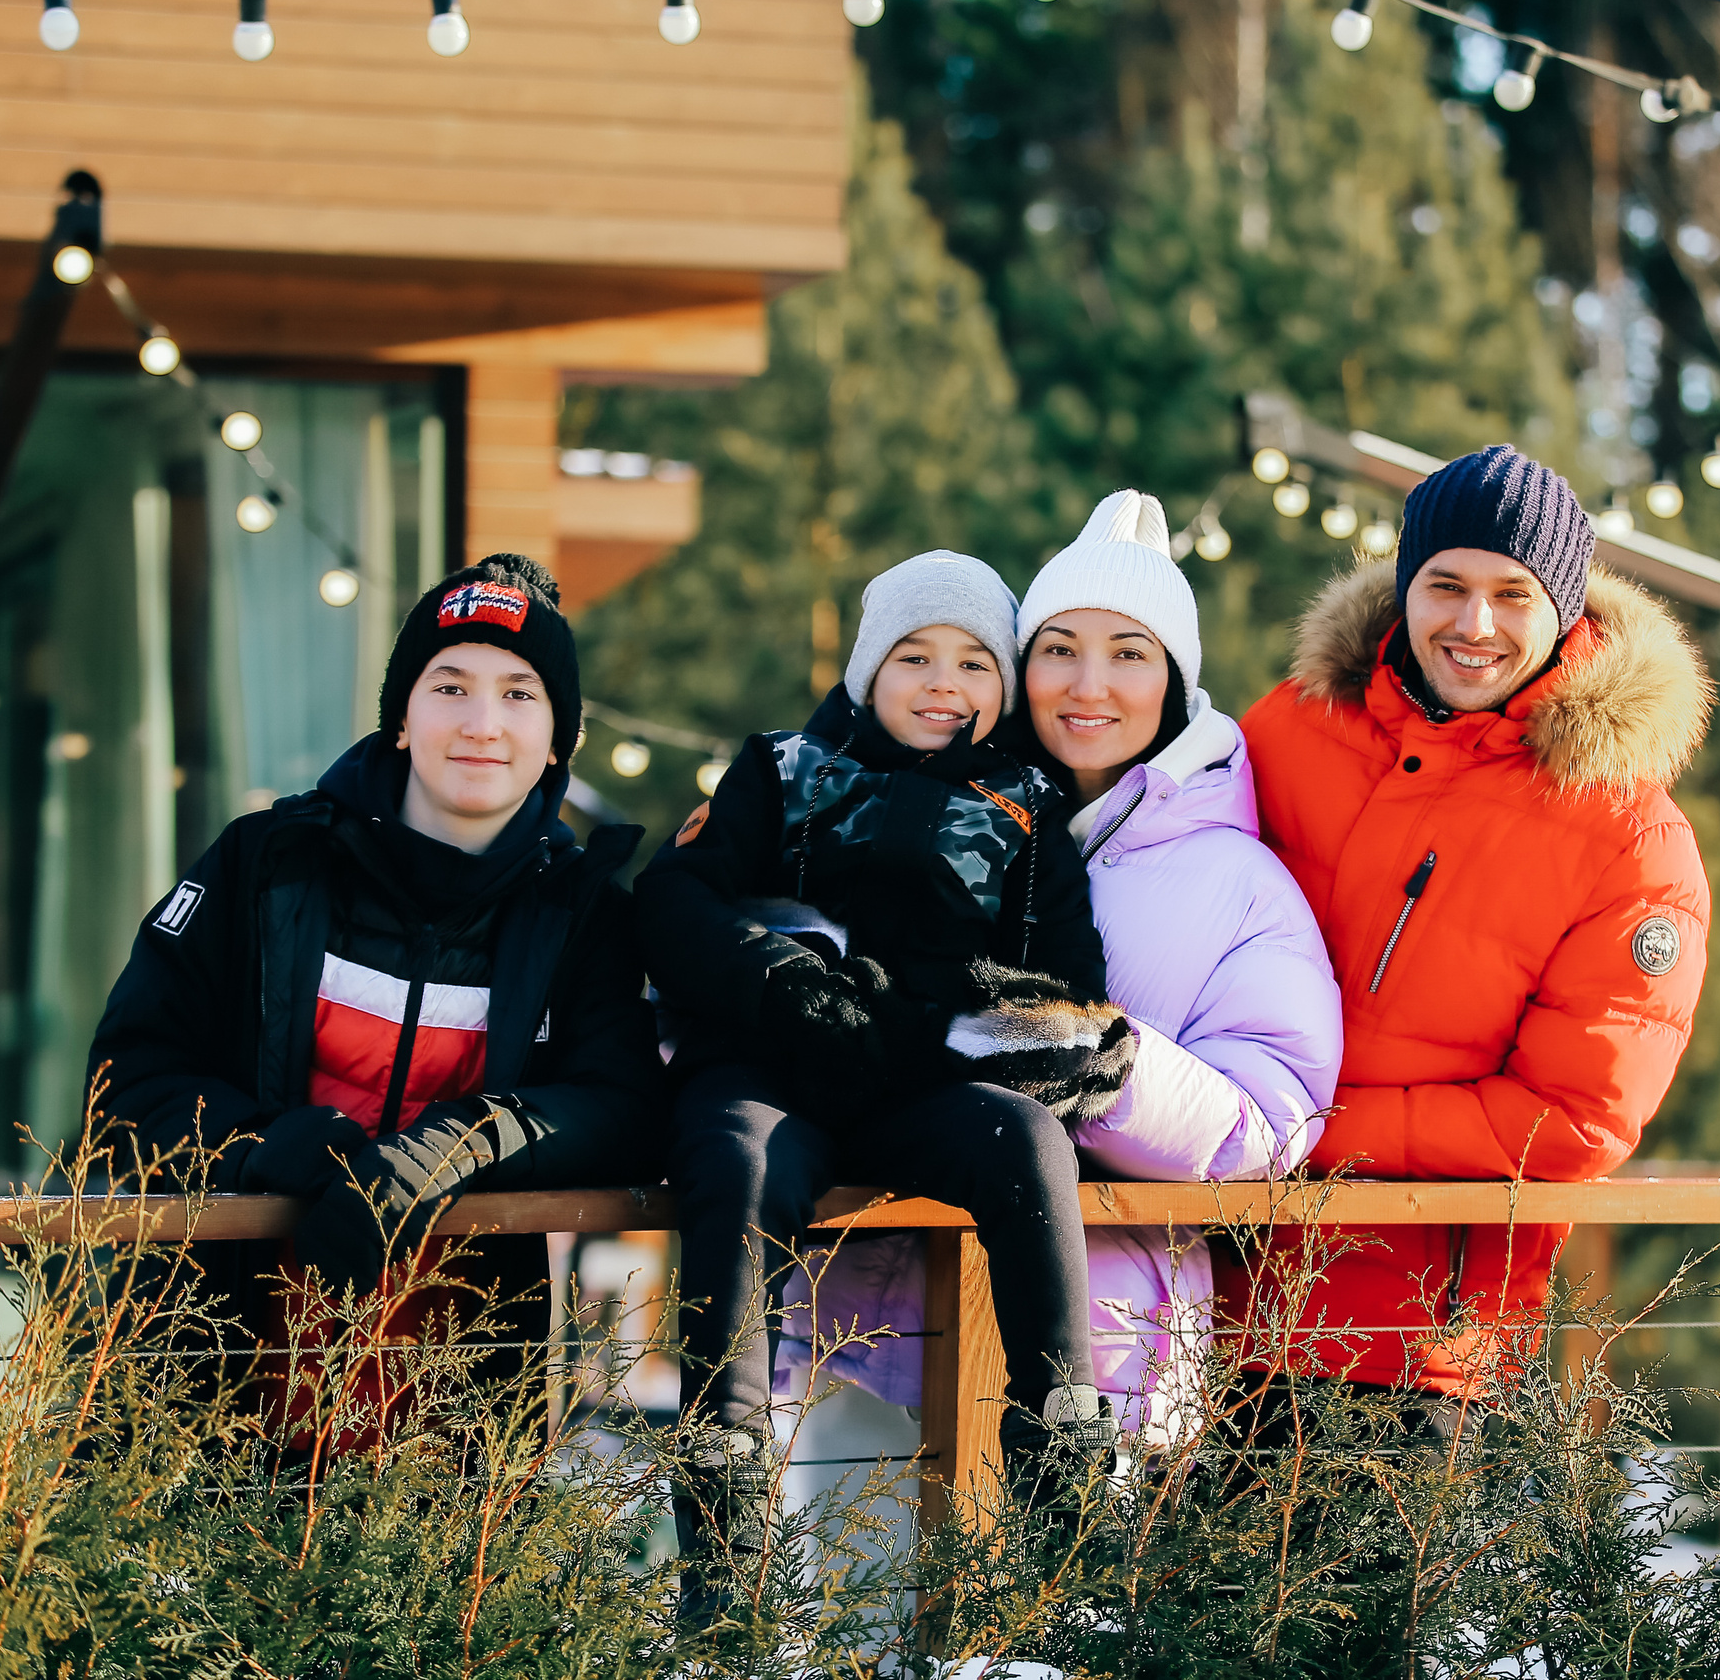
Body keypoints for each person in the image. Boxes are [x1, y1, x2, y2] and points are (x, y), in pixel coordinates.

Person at [771, 491, 1342, 1461]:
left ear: (1173, 680)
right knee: (835, 1609)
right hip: (863, 1328)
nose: (1089, 684)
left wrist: (1105, 1069)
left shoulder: (1238, 881)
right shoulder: (906, 803)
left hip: (1104, 1353)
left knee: (1052, 1615)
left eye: (1128, 653)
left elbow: (1274, 1112)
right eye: (1058, 648)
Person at [635, 549, 1135, 1615]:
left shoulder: (1026, 808)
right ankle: (724, 1512)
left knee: (1025, 1145)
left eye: (971, 662)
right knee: (735, 1155)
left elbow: (1067, 987)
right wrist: (775, 978)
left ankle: (1063, 1472)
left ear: (1002, 685)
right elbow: (677, 902)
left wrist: (923, 1023)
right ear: (869, 668)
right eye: (913, 656)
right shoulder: (780, 771)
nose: (941, 683)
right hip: (776, 1067)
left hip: (922, 1080)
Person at [87, 554, 666, 1414]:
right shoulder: (264, 864)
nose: (481, 722)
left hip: (456, 1406)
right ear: (401, 716)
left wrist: (464, 1142)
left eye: (519, 693)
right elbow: (126, 1083)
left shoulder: (584, 917)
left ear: (558, 741)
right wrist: (259, 1146)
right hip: (212, 1381)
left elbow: (624, 1108)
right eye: (449, 685)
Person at [1229, 443, 1713, 1421]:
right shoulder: (1289, 730)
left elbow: (1575, 1118)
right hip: (1203, 1312)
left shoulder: (1627, 834)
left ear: (1564, 609)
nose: (1473, 623)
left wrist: (1290, 1134)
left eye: (1512, 593)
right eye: (1445, 585)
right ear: (1404, 585)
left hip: (1425, 1354)